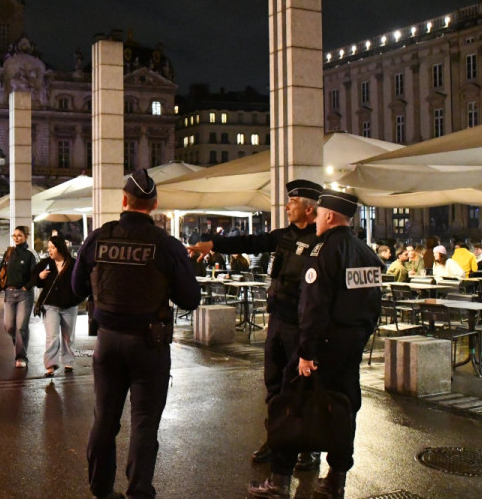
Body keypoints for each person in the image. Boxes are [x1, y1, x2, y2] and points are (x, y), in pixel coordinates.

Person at [72, 168, 200, 499]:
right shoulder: (166, 245)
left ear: (124, 200)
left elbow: (75, 287)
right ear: (154, 204)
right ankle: (138, 491)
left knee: (104, 419)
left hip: (108, 340)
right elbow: (190, 299)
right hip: (149, 343)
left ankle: (101, 488)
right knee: (144, 423)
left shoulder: (99, 237)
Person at [248, 190, 382, 499]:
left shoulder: (322, 252)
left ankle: (279, 480)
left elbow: (313, 307)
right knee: (344, 408)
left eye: (320, 213)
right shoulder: (366, 253)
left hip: (321, 346)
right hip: (351, 347)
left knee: (291, 403)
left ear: (331, 217)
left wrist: (306, 352)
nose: (317, 218)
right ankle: (335, 480)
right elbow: (374, 308)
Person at [188, 179, 324, 470]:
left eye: (294, 202)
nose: (287, 206)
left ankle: (309, 447)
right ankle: (275, 438)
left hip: (301, 326)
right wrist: (214, 243)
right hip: (277, 322)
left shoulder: (321, 241)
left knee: (304, 387)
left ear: (309, 208)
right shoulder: (282, 236)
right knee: (273, 384)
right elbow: (250, 242)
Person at [31, 234, 85, 377]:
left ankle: (68, 362)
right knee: (52, 336)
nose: (49, 250)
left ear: (60, 248)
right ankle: (50, 365)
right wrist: (40, 277)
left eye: (52, 248)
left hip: (69, 305)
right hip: (50, 305)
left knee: (68, 336)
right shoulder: (46, 263)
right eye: (48, 248)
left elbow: (82, 282)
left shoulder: (73, 264)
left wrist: (77, 298)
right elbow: (34, 279)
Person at [0, 225, 37, 367]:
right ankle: (19, 344)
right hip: (10, 293)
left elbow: (34, 275)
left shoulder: (30, 254)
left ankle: (21, 357)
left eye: (19, 235)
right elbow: (1, 269)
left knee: (21, 327)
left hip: (25, 294)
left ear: (25, 237)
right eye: (14, 235)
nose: (16, 238)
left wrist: (27, 286)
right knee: (9, 326)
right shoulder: (9, 252)